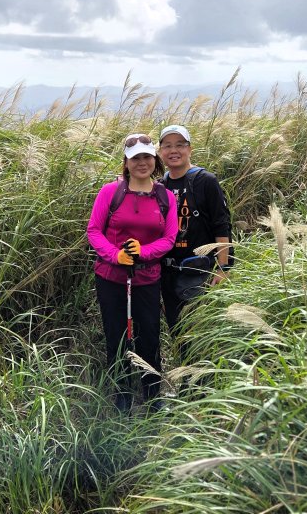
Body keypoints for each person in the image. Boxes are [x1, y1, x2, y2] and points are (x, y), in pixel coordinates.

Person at [87, 133, 178, 413]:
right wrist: (116, 255)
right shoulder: (110, 193)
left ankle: (152, 394)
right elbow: (94, 231)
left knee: (149, 336)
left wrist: (142, 253)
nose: (142, 162)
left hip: (147, 279)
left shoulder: (164, 196)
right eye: (135, 157)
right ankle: (122, 395)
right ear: (126, 162)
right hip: (111, 278)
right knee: (116, 336)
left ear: (155, 160)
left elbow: (169, 238)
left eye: (147, 157)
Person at [157, 124, 233, 363]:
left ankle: (203, 391)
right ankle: (187, 389)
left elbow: (222, 225)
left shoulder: (204, 181)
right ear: (160, 152)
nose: (174, 150)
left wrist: (224, 268)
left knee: (201, 335)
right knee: (178, 334)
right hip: (168, 272)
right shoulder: (160, 186)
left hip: (200, 270)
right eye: (167, 145)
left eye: (180, 145)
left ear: (190, 149)